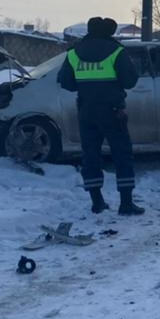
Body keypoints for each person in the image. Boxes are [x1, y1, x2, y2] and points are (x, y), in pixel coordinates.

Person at [57, 16, 143, 215]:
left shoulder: (74, 53)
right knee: (122, 154)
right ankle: (126, 203)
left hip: (86, 110)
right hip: (113, 111)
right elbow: (130, 81)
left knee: (90, 155)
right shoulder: (117, 51)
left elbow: (66, 83)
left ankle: (97, 201)